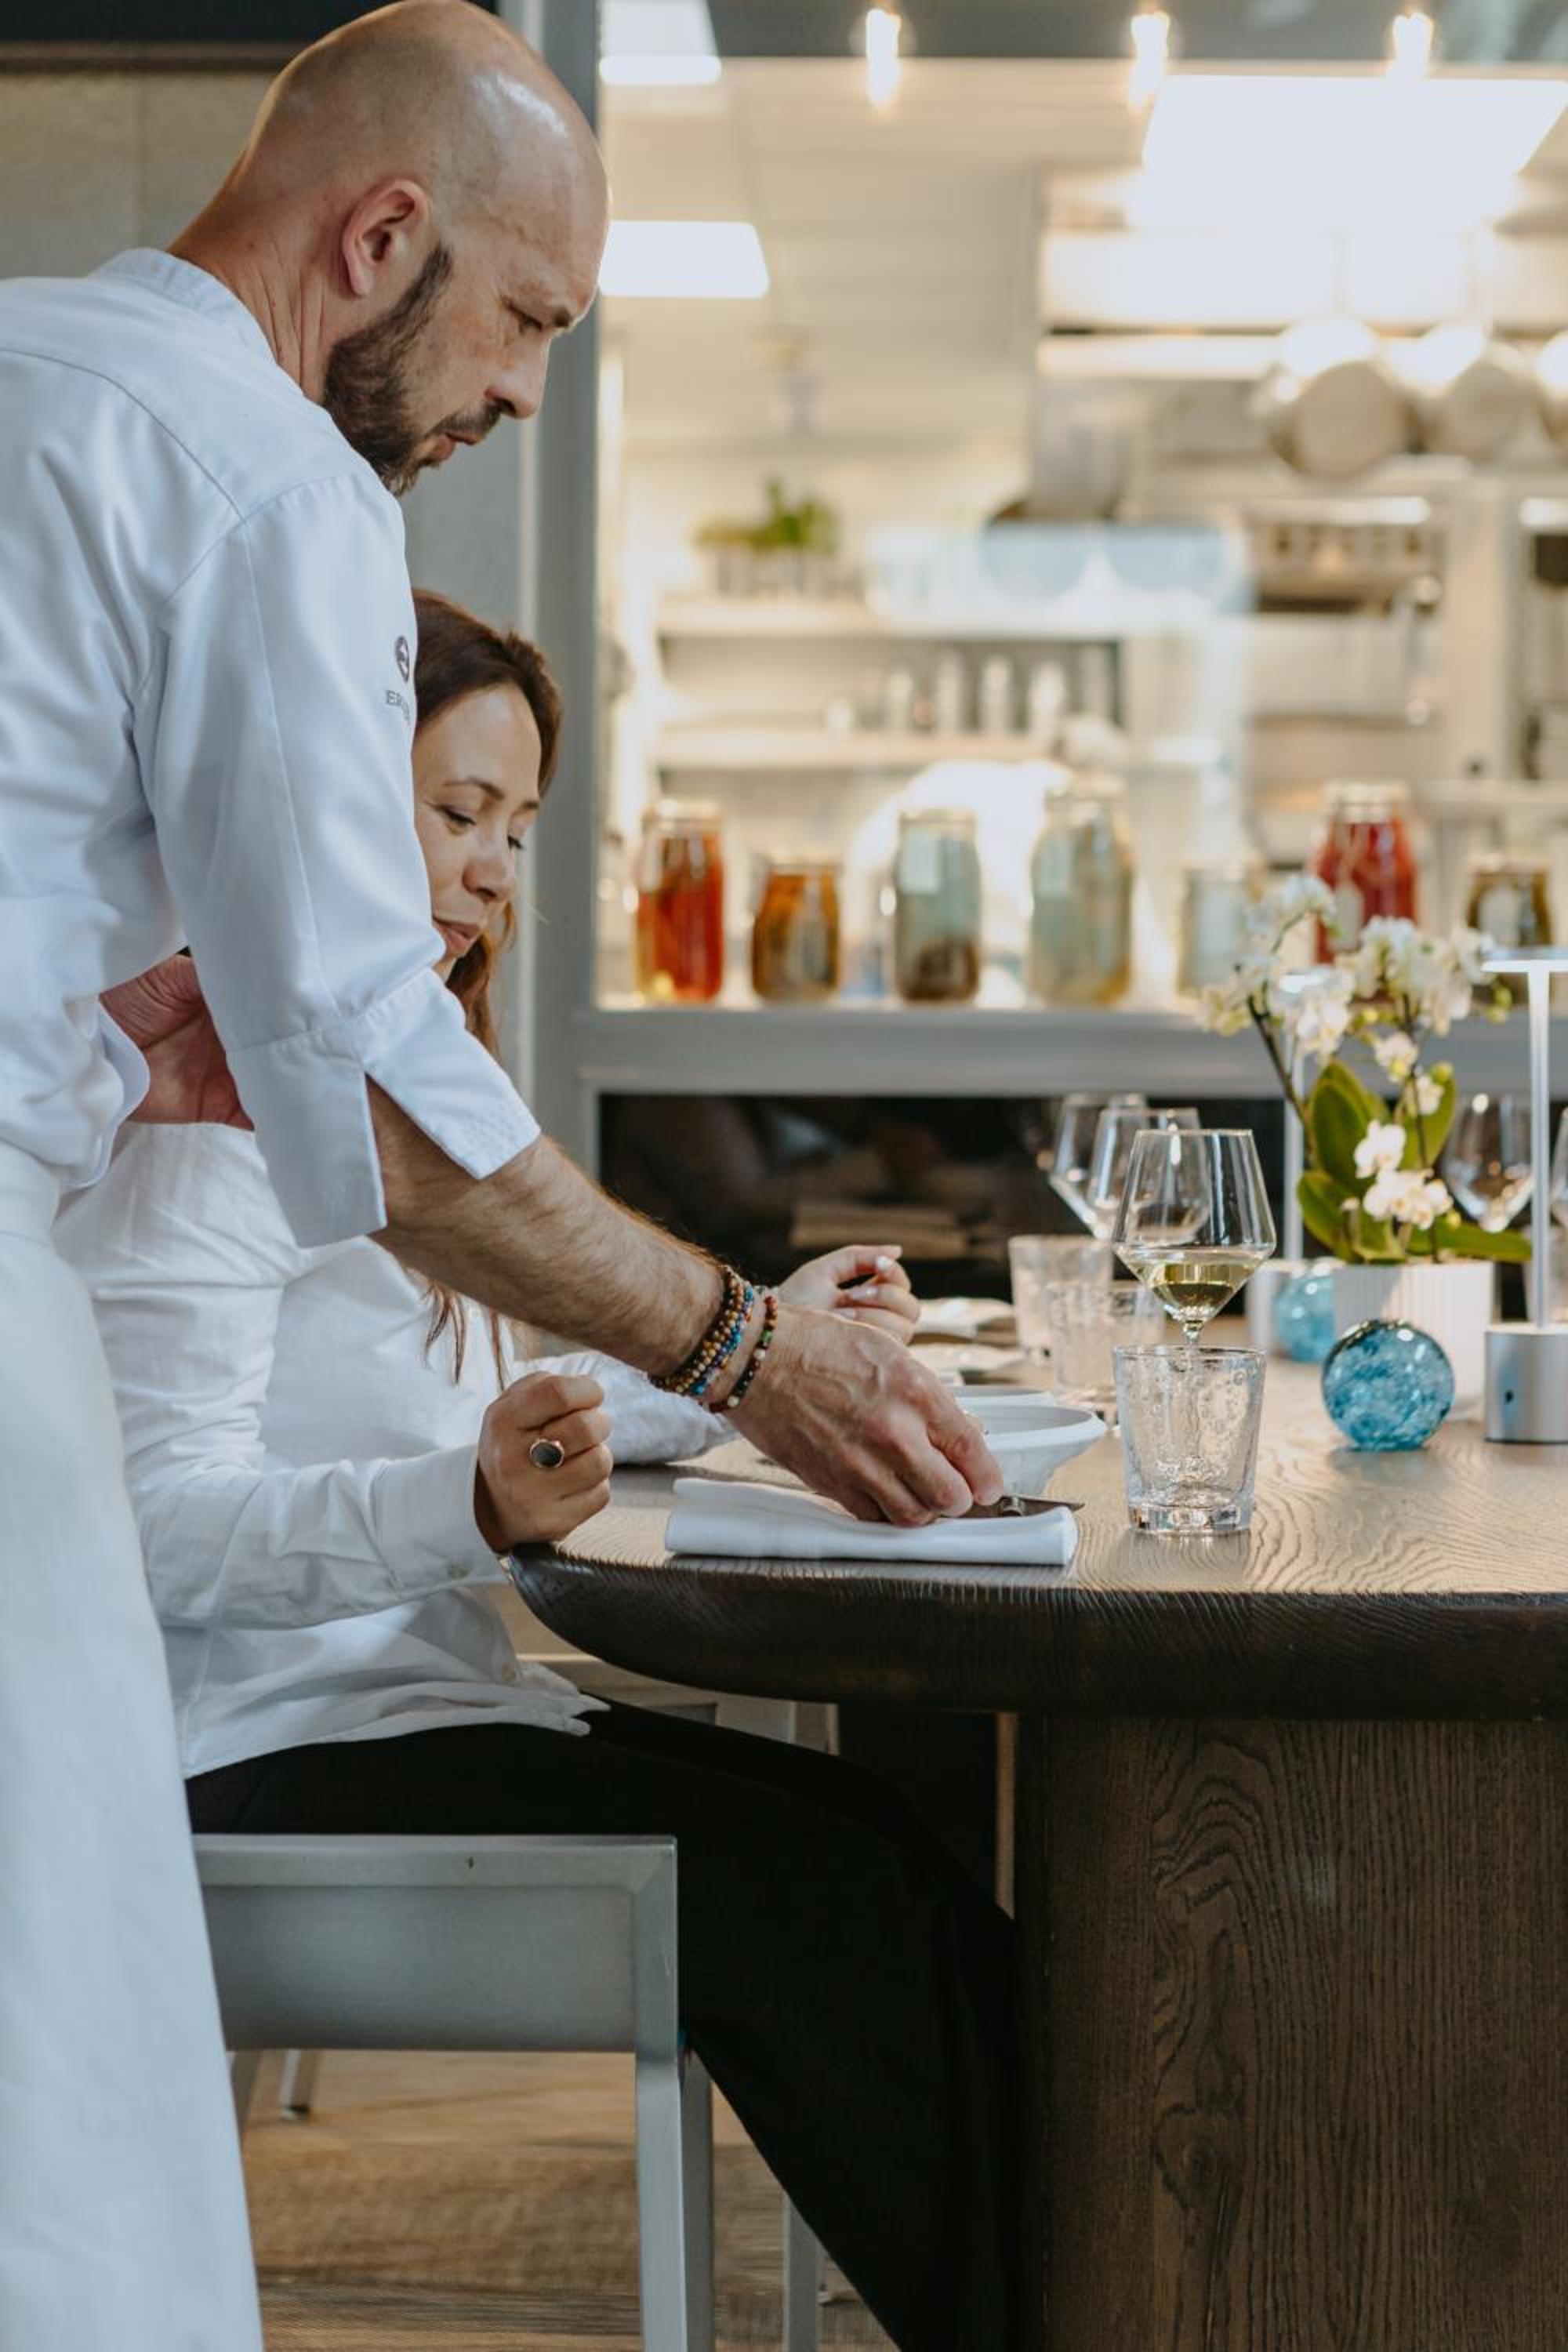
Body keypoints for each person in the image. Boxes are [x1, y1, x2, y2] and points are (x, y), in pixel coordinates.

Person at [0, 7, 999, 2345]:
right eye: (526, 318)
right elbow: (376, 1104)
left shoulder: (28, 369)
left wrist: (94, 1047)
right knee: (63, 2134)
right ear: (380, 239)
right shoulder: (272, 479)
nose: (530, 393)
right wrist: (749, 1355)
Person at [59, 591, 1014, 2351]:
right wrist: (469, 1510)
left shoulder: (389, 1096)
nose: (496, 869)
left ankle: (1086, 2291)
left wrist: (751, 1361)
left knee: (893, 1832)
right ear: (327, 807)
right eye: (454, 811)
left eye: (517, 826)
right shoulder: (212, 1122)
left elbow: (505, 1405)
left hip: (400, 1712)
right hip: (244, 1762)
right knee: (836, 1899)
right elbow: (153, 1534)